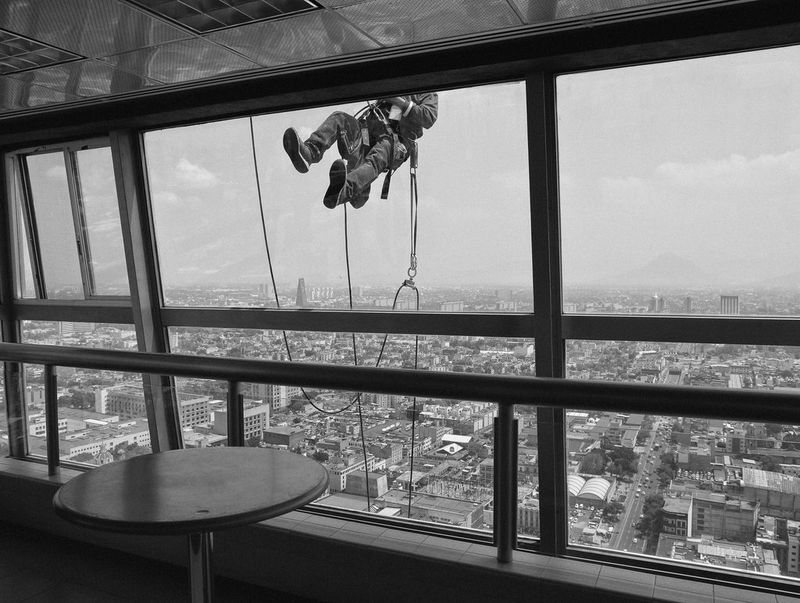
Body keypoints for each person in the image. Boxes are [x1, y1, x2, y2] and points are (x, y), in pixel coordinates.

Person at [282, 93, 438, 209]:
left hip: (394, 141)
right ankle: (309, 153)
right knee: (340, 119)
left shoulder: (423, 90)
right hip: (365, 135)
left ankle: (346, 190)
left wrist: (399, 101)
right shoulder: (392, 78)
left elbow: (428, 116)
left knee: (381, 153)